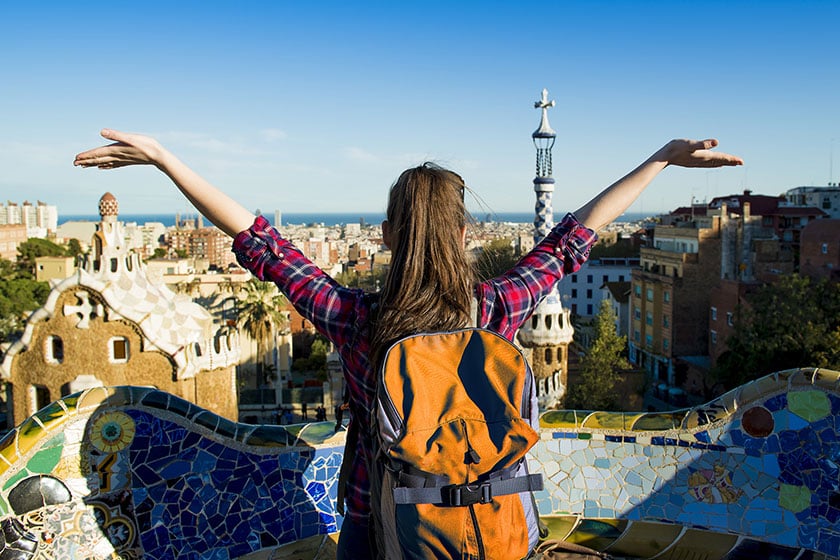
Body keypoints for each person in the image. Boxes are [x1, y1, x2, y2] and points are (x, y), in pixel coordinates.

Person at [75, 129, 742, 559]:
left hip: (381, 516)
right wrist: (660, 158)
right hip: (500, 514)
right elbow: (575, 237)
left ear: (390, 235)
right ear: (462, 234)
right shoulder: (497, 308)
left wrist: (166, 160)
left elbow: (262, 245)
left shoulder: (356, 319)